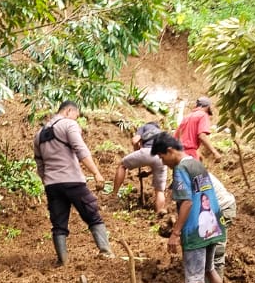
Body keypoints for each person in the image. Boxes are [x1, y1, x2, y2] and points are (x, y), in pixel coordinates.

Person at [150, 132, 229, 283]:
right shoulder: (195, 163)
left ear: (170, 151)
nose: (162, 163)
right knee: (209, 270)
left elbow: (187, 202)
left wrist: (175, 233)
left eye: (162, 157)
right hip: (213, 226)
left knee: (195, 279)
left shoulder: (180, 169)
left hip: (196, 231)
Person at [34, 101, 113, 265]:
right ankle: (106, 252)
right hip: (73, 181)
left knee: (58, 223)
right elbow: (80, 149)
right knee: (92, 215)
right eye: (76, 115)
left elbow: (40, 164)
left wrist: (48, 180)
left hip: (52, 185)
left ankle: (63, 261)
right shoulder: (68, 124)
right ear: (69, 111)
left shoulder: (39, 134)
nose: (76, 119)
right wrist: (96, 173)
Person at [110, 121, 168, 214]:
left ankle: (114, 194)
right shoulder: (161, 133)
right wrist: (149, 173)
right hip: (161, 156)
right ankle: (159, 213)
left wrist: (136, 151)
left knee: (122, 165)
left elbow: (135, 140)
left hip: (147, 151)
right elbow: (157, 162)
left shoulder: (145, 127)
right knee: (159, 190)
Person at [175, 97, 222, 161]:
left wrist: (197, 152)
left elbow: (176, 138)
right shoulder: (203, 115)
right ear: (207, 107)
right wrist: (215, 152)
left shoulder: (186, 117)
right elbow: (202, 136)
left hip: (179, 155)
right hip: (190, 155)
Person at [209, 172, 236, 276]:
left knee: (216, 251)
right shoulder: (191, 171)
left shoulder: (194, 176)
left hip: (222, 209)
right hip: (213, 211)